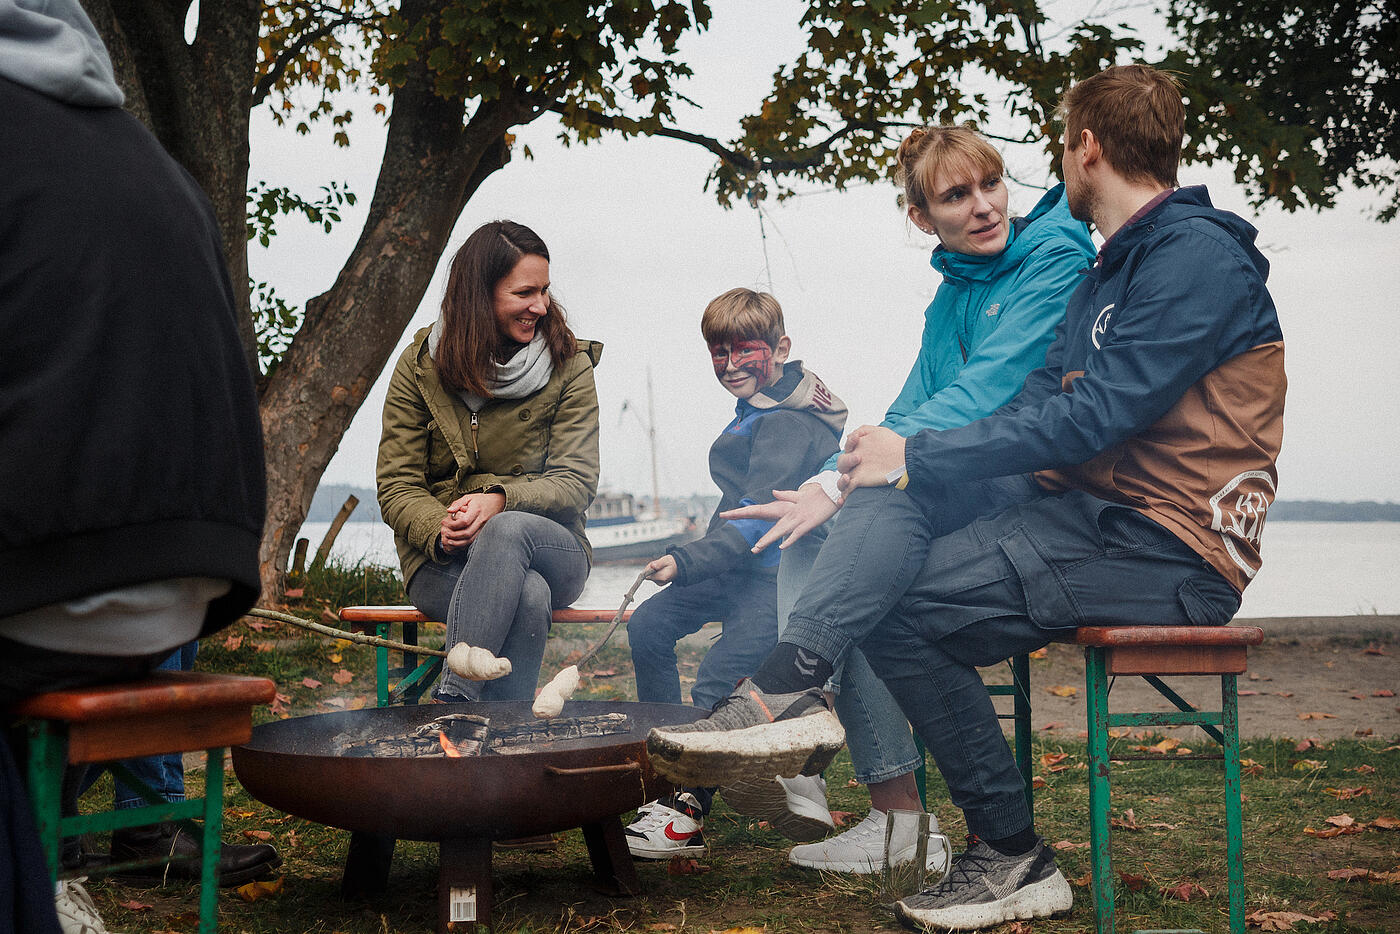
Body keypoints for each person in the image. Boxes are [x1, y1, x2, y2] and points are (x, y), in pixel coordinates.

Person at [647, 63, 1285, 931]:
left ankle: (799, 706)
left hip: (1172, 545)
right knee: (890, 588)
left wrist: (915, 454)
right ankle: (989, 838)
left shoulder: (1193, 258)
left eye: (1055, 148)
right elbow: (1036, 401)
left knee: (900, 508)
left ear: (1084, 146)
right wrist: (900, 459)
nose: (996, 200)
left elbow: (1097, 415)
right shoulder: (1114, 271)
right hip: (1093, 522)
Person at [723, 125, 1094, 874]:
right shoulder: (953, 292)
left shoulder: (1056, 257)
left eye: (991, 184)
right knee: (817, 535)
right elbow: (910, 402)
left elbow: (984, 391)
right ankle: (879, 802)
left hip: (1022, 488)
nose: (985, 206)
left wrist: (841, 482)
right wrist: (828, 476)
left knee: (865, 539)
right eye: (957, 195)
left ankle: (805, 720)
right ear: (924, 218)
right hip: (949, 479)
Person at [0, 0, 272, 929]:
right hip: (193, 585)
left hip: (54, 584)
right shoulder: (144, 156)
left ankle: (52, 867)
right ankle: (62, 862)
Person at [623, 289, 848, 858]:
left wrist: (684, 560)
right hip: (737, 566)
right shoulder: (760, 405)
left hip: (774, 573)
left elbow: (752, 524)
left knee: (717, 681)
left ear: (781, 347)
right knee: (648, 627)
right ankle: (666, 770)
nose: (728, 366)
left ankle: (685, 811)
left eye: (742, 351)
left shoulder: (789, 423)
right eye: (717, 354)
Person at [377, 220, 601, 705]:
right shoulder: (419, 366)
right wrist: (442, 526)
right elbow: (397, 485)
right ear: (479, 295)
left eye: (544, 290)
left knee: (507, 531)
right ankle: (504, 741)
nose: (540, 306)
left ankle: (454, 701)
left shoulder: (570, 365)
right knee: (528, 596)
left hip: (551, 546)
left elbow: (576, 481)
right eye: (524, 292)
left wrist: (501, 500)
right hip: (442, 560)